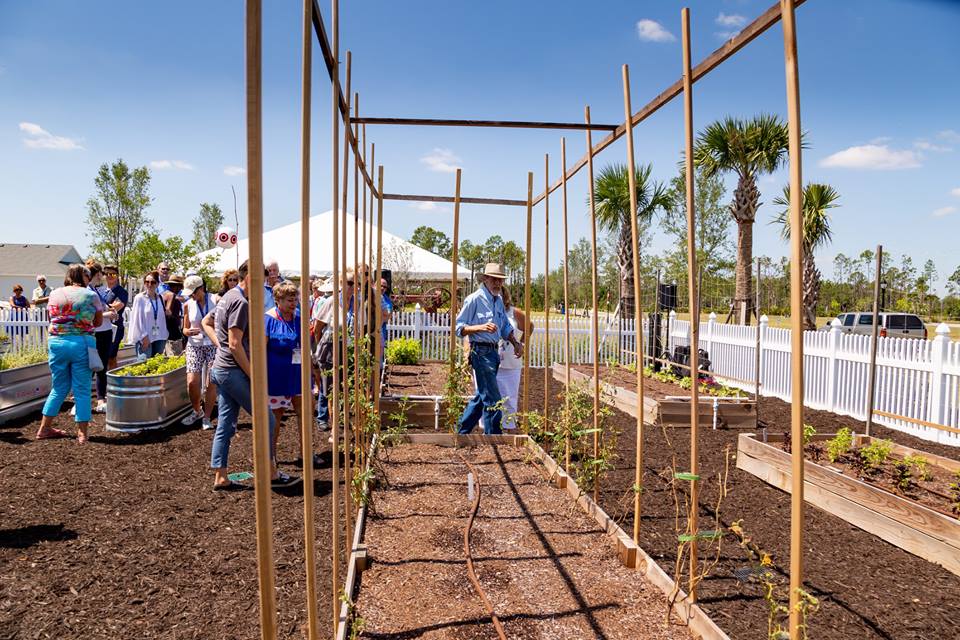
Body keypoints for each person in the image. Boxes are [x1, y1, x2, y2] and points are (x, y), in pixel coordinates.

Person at [201, 260, 300, 490]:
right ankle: (270, 473)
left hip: (222, 369)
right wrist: (253, 374)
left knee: (226, 423)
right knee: (267, 419)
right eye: (260, 278)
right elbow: (235, 344)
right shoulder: (240, 302)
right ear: (248, 277)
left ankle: (221, 476)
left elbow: (210, 323)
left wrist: (220, 345)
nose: (263, 283)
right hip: (233, 371)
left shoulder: (228, 297)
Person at [35, 264, 103, 444]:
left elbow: (52, 318)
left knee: (58, 387)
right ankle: (82, 433)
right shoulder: (90, 295)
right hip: (81, 343)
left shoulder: (55, 293)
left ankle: (44, 428)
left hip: (56, 343)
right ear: (84, 277)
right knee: (82, 388)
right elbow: (97, 322)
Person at [455, 263, 522, 435]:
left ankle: (461, 433)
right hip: (480, 352)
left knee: (481, 397)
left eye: (500, 280)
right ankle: (494, 438)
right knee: (493, 399)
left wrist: (515, 343)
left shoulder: (498, 300)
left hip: (493, 353)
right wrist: (481, 327)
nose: (498, 283)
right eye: (494, 279)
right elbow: (459, 328)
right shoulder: (474, 300)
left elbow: (505, 327)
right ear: (485, 279)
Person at [265, 282, 306, 458]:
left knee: (303, 413)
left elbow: (305, 346)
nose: (293, 303)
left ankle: (306, 453)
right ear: (278, 300)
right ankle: (271, 456)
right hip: (276, 378)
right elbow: (259, 348)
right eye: (290, 300)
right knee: (276, 417)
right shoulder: (268, 320)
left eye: (295, 299)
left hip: (297, 375)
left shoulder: (298, 319)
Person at [485, 286, 532, 430]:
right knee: (486, 396)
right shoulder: (486, 311)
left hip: (511, 362)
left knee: (509, 397)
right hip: (489, 361)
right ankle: (487, 428)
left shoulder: (514, 313)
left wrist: (522, 344)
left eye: (501, 294)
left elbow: (530, 326)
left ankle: (509, 427)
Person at [311, 271, 353, 431]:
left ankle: (340, 417)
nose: (353, 287)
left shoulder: (357, 304)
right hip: (330, 349)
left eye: (356, 284)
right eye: (349, 283)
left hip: (348, 350)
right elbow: (317, 329)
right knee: (329, 386)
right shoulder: (331, 302)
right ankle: (324, 418)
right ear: (341, 284)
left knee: (343, 386)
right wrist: (321, 348)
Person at [181, 275, 217, 429]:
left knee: (211, 383)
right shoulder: (188, 304)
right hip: (194, 345)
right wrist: (188, 331)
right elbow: (184, 328)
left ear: (201, 289)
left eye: (193, 292)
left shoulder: (216, 301)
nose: (191, 296)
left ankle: (207, 417)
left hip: (212, 344)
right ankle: (197, 410)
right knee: (192, 382)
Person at [85, 261, 118, 413]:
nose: (103, 277)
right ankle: (82, 399)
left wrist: (110, 313)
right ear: (96, 274)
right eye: (101, 274)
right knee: (91, 367)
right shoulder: (87, 291)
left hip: (105, 331)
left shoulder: (96, 290)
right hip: (97, 332)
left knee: (102, 366)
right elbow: (90, 315)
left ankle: (100, 399)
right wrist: (107, 314)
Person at [127, 271, 168, 358]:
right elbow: (137, 319)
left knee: (156, 366)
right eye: (147, 282)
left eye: (153, 282)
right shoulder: (139, 298)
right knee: (144, 365)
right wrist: (143, 336)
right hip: (145, 337)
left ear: (157, 284)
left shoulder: (160, 298)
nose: (149, 284)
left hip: (160, 337)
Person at [103, 265, 128, 370]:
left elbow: (115, 308)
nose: (110, 276)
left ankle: (113, 383)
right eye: (107, 274)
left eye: (112, 274)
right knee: (101, 357)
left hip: (115, 329)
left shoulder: (121, 292)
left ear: (117, 276)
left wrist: (97, 309)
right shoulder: (101, 290)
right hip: (101, 328)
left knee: (111, 357)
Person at [162, 275, 185, 356]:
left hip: (165, 329)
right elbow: (168, 311)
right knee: (175, 354)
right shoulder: (171, 295)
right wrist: (176, 319)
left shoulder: (164, 294)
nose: (180, 289)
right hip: (172, 329)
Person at [379, 278, 393, 361]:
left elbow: (387, 316)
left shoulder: (387, 300)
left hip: (381, 330)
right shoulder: (369, 296)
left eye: (385, 287)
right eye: (380, 285)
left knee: (379, 356)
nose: (382, 288)